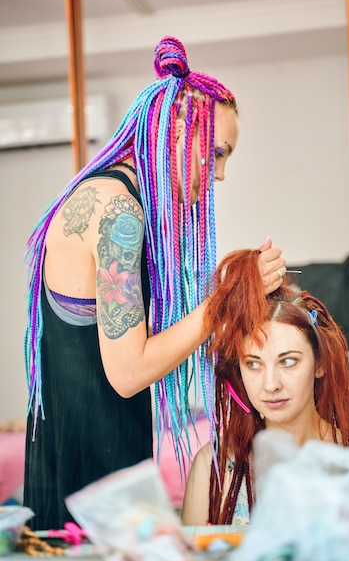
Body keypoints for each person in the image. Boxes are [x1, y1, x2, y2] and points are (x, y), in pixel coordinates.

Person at [23, 37, 286, 530]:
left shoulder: (116, 197)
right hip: (87, 488)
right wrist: (225, 302)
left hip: (89, 465)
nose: (221, 175)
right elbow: (127, 373)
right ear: (178, 133)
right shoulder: (118, 211)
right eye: (217, 154)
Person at [181, 249, 349, 527]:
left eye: (288, 361)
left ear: (319, 363)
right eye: (253, 364)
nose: (271, 384)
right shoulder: (214, 468)